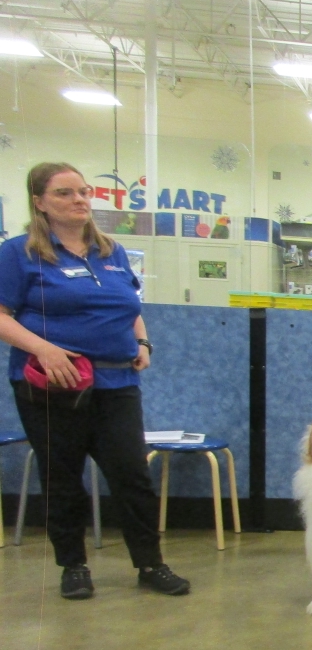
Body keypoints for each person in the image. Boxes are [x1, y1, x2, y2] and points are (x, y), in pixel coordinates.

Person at [0, 162, 189, 600]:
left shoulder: (111, 251)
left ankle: (151, 564)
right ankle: (73, 566)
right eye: (64, 193)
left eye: (84, 191)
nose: (79, 200)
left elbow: (128, 305)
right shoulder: (18, 253)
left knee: (132, 476)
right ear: (39, 202)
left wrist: (143, 342)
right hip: (53, 385)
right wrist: (44, 349)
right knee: (62, 478)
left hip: (116, 383)